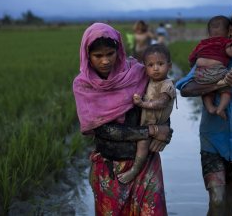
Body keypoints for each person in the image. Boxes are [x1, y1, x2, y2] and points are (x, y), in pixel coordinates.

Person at [176, 8, 232, 216]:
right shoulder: (212, 55)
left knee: (228, 206)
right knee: (217, 200)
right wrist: (219, 83)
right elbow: (185, 89)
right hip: (212, 143)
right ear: (231, 31)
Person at [73, 23, 173, 215]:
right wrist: (151, 132)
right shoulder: (83, 86)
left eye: (110, 54)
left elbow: (160, 105)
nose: (105, 61)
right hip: (110, 166)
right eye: (98, 56)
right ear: (87, 55)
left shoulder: (137, 73)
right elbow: (102, 129)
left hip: (146, 164)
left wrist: (166, 131)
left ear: (118, 51)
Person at [118, 44, 176, 184]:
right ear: (145, 68)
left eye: (160, 64)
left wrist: (142, 104)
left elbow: (161, 103)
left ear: (170, 66)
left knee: (143, 144)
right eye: (151, 65)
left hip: (152, 125)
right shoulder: (148, 81)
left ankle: (135, 170)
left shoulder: (167, 84)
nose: (155, 68)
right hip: (145, 124)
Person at [188, 15, 232, 119]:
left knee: (207, 91)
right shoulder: (225, 41)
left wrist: (193, 66)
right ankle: (220, 108)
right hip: (217, 71)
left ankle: (210, 107)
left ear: (209, 33)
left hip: (200, 73)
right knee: (226, 88)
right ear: (229, 32)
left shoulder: (202, 43)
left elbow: (191, 58)